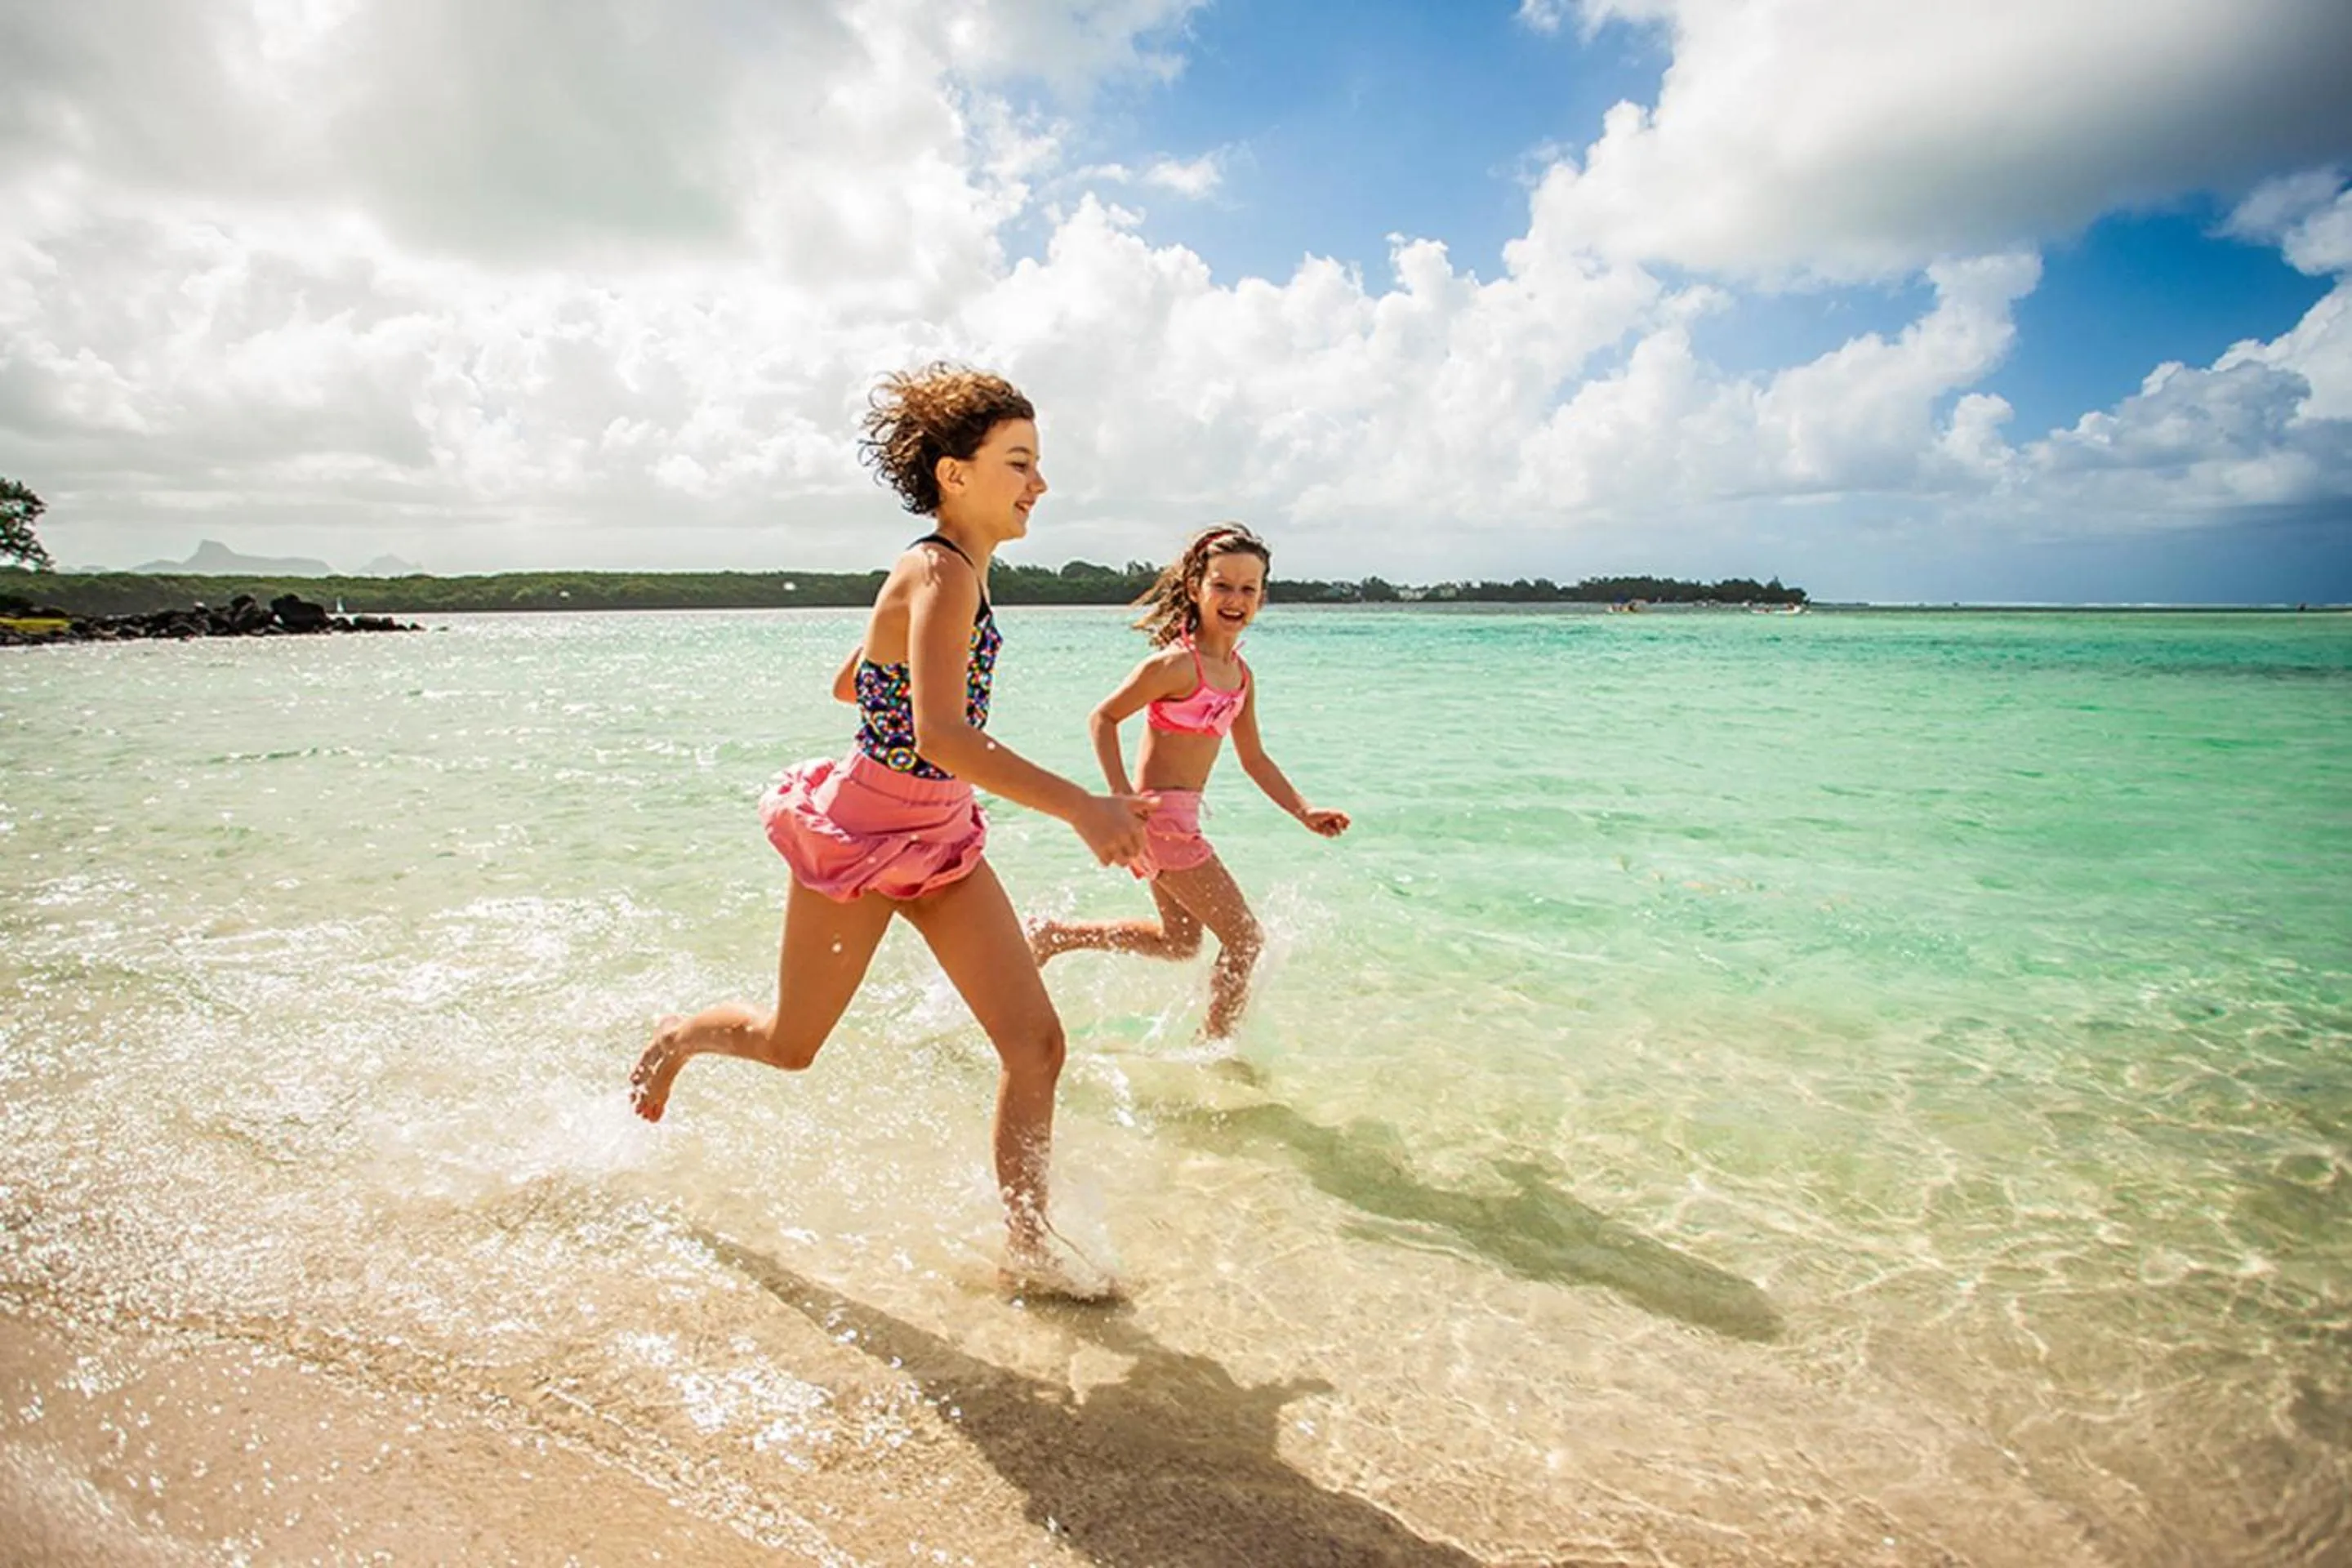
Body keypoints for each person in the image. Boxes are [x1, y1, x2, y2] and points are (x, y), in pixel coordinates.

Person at [629, 363, 1152, 1296]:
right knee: (790, 1045)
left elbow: (854, 683)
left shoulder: (952, 574)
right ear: (955, 474)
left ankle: (1028, 1248)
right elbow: (940, 734)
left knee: (1036, 1044)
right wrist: (1083, 805)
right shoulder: (940, 570)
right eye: (1019, 462)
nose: (1039, 484)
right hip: (861, 842)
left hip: (942, 838)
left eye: (1037, 463)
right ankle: (679, 1037)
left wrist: (888, 664)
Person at [1028, 523, 1348, 1038]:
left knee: (1179, 942)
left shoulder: (1240, 675)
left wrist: (1303, 810)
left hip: (1178, 821)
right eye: (1222, 585)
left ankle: (1055, 935)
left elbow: (1254, 759)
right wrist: (1120, 797)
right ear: (1196, 587)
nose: (1235, 599)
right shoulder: (1176, 665)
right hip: (1161, 822)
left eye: (1248, 588)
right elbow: (1103, 718)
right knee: (1245, 939)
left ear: (1262, 598)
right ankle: (1214, 1046)